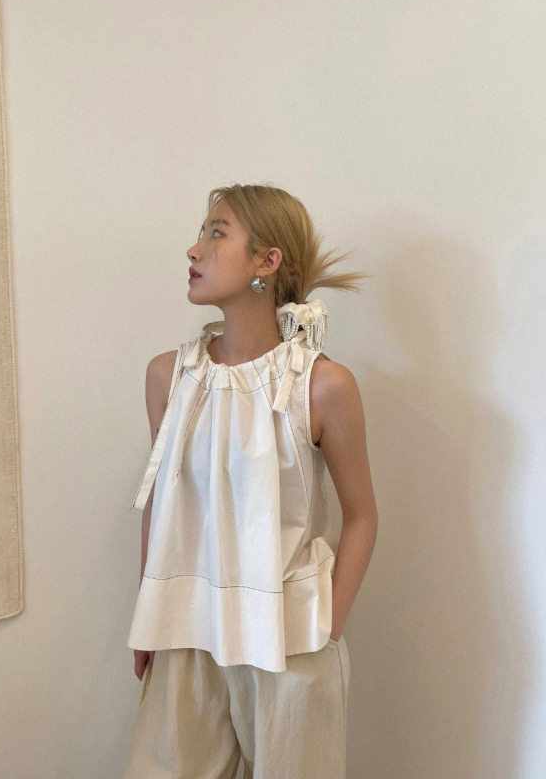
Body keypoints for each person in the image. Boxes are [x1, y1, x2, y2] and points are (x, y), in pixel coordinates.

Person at [122, 183, 378, 778]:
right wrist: (148, 611)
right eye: (201, 232)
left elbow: (363, 514)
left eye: (217, 233)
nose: (194, 249)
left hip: (288, 638)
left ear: (268, 261)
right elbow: (161, 498)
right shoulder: (168, 376)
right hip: (184, 631)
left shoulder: (322, 385)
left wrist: (328, 626)